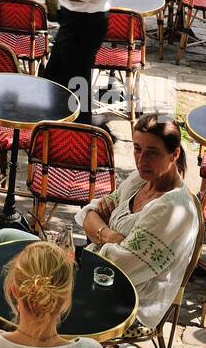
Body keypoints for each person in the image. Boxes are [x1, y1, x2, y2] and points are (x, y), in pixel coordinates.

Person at [77, 113, 199, 330]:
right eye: (137, 148)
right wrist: (110, 236)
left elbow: (118, 268)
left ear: (175, 154)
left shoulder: (170, 209)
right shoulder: (140, 179)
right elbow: (88, 213)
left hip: (129, 306)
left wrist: (97, 231)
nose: (141, 160)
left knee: (32, 291)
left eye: (152, 153)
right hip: (96, 278)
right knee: (9, 242)